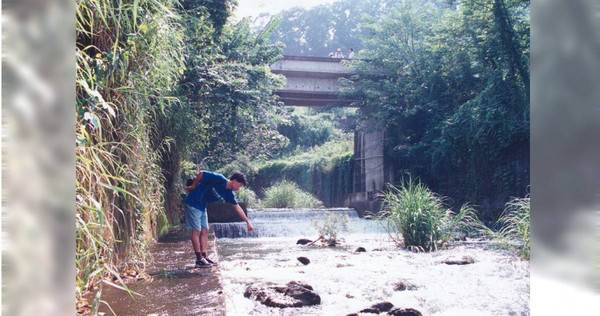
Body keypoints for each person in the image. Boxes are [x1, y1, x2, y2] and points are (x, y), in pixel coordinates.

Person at [184, 170, 254, 267]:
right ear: (234, 181)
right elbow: (201, 173)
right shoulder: (219, 179)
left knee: (205, 230)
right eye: (240, 185)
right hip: (193, 203)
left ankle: (204, 256)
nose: (239, 188)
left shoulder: (229, 193)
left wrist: (247, 222)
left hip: (202, 206)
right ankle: (199, 259)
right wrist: (193, 186)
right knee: (197, 231)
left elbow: (237, 207)